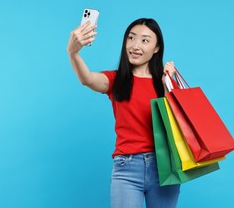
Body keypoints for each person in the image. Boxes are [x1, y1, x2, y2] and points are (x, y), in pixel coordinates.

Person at [67, 17, 180, 208]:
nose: (135, 45)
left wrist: (168, 86)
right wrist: (73, 52)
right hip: (127, 168)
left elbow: (177, 124)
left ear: (156, 48)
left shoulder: (164, 81)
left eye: (145, 40)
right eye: (131, 38)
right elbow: (87, 79)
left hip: (165, 166)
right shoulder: (116, 80)